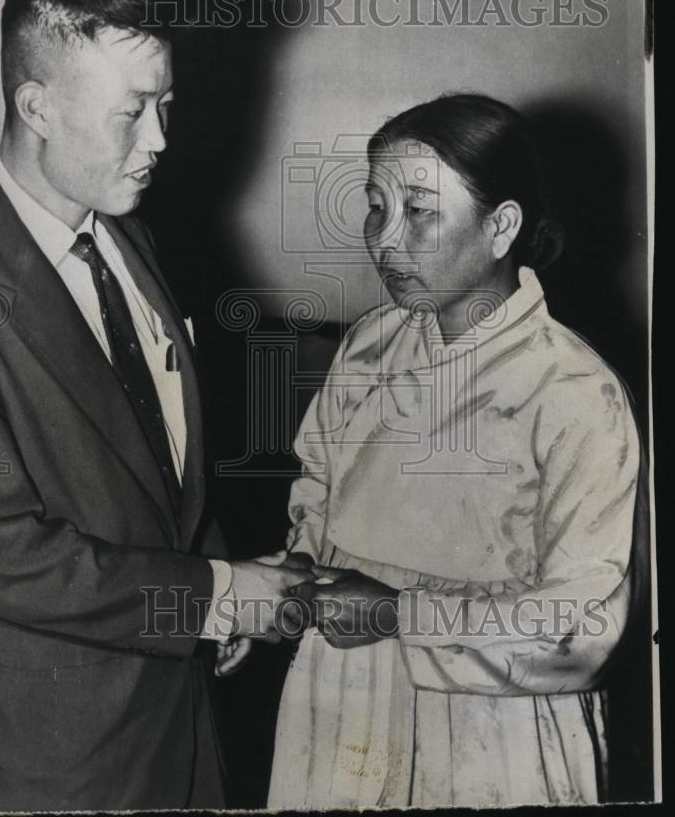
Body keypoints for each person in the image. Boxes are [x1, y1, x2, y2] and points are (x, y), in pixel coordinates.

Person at [0, 0, 310, 812]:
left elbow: (157, 460)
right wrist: (218, 597)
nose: (161, 139)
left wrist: (209, 586)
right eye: (132, 111)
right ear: (35, 105)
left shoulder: (127, 231)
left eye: (167, 104)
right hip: (62, 762)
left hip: (184, 722)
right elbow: (3, 562)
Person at [267, 94, 648, 808]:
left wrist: (399, 615)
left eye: (418, 211)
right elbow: (316, 488)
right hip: (342, 695)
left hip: (494, 724)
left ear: (500, 226)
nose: (382, 241)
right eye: (375, 207)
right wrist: (290, 583)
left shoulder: (573, 391)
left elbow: (582, 626)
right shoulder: (369, 345)